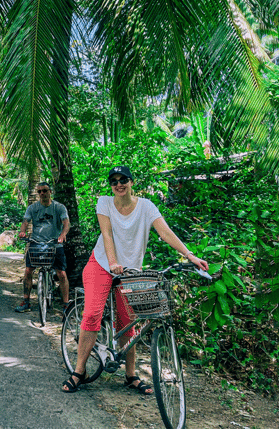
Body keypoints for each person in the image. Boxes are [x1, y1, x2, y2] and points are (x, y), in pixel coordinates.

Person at [62, 166, 209, 394]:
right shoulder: (105, 202)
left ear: (132, 182)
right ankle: (79, 371)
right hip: (101, 264)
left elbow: (165, 232)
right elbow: (107, 233)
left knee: (128, 322)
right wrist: (112, 263)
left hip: (129, 271)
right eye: (114, 181)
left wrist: (190, 255)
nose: (119, 184)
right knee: (92, 314)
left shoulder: (146, 207)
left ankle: (130, 375)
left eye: (123, 180)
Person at [15, 182, 70, 314]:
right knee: (28, 271)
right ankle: (26, 301)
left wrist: (63, 235)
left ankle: (66, 305)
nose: (42, 194)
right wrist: (22, 232)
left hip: (54, 244)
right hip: (36, 244)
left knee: (61, 273)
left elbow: (66, 223)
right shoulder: (33, 208)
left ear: (50, 191)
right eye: (39, 191)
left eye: (44, 191)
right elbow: (25, 222)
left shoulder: (59, 207)